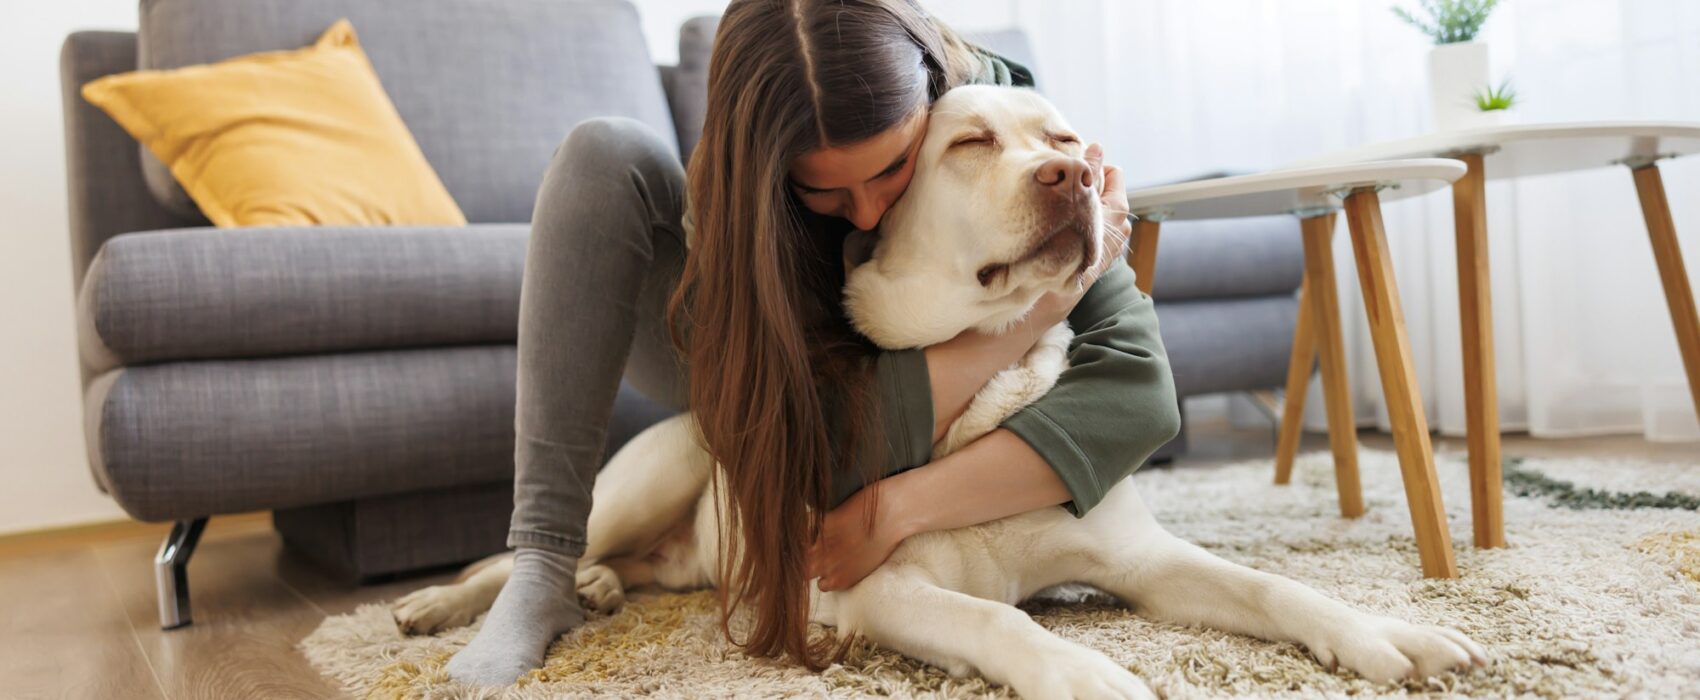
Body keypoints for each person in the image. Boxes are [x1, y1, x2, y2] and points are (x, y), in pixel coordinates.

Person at [445, 0, 1180, 685]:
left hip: (886, 386)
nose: (864, 213)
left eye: (891, 167)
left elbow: (1139, 392)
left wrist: (896, 508)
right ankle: (542, 563)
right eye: (823, 190)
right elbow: (812, 462)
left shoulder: (1002, 122)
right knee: (603, 150)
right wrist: (1042, 309)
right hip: (733, 349)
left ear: (929, 92)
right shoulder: (741, 192)